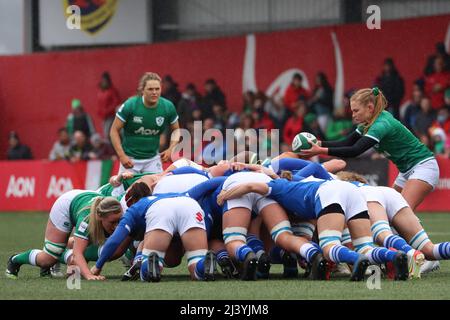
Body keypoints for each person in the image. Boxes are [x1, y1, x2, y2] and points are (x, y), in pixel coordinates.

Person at [217, 172, 410, 281]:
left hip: (328, 194)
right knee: (366, 246)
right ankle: (394, 256)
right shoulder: (302, 183)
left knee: (329, 247)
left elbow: (251, 187)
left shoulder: (279, 186)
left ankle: (356, 259)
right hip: (352, 192)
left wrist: (226, 194)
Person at [301, 87, 439, 210]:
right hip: (406, 170)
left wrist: (321, 151)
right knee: (390, 211)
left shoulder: (381, 124)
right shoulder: (368, 123)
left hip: (423, 166)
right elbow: (347, 142)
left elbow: (355, 150)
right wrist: (319, 144)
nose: (353, 115)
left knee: (402, 211)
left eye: (356, 111)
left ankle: (420, 239)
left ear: (370, 108)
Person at [6, 191, 122, 280]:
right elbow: (78, 254)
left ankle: (60, 254)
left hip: (83, 200)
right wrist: (88, 275)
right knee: (49, 259)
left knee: (75, 262)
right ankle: (15, 260)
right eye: (112, 222)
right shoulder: (86, 221)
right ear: (100, 217)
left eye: (119, 221)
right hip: (65, 206)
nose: (117, 226)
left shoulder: (114, 211)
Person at [110, 72, 180, 174]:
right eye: (150, 89)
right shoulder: (130, 105)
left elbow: (177, 130)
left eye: (157, 89)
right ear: (142, 90)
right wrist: (121, 156)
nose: (154, 92)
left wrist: (171, 149)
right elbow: (114, 130)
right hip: (130, 160)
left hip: (153, 160)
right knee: (122, 190)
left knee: (157, 189)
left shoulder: (168, 106)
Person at [97, 72, 121, 141]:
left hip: (111, 116)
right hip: (103, 117)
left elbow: (116, 103)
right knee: (105, 133)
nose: (104, 82)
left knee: (108, 133)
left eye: (105, 81)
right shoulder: (100, 91)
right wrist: (100, 112)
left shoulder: (112, 91)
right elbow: (99, 103)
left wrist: (107, 111)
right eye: (103, 81)